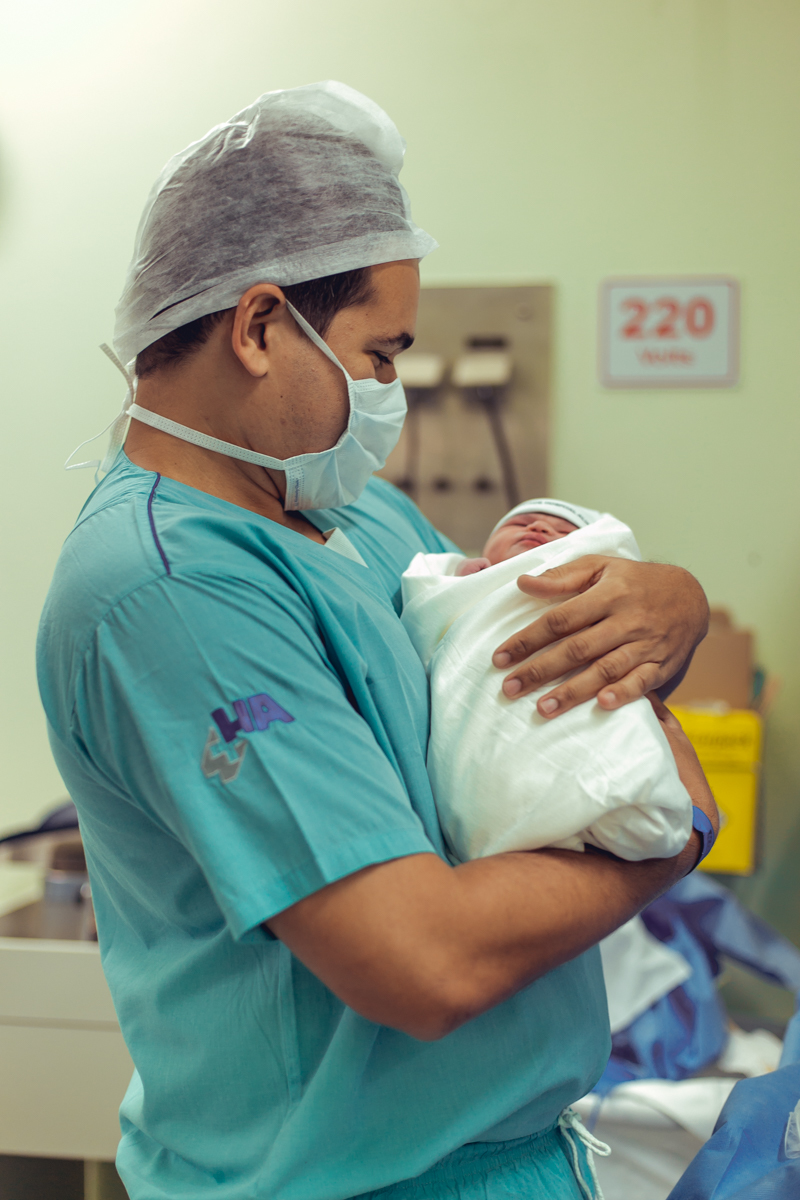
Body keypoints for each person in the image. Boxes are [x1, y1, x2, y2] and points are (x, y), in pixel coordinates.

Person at [37, 82, 717, 1200]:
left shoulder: (352, 519)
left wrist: (670, 608)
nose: (390, 391)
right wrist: (669, 834)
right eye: (381, 354)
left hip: (504, 1154)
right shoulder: (167, 589)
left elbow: (530, 687)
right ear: (260, 326)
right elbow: (421, 960)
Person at [400, 499, 693, 864]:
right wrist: (462, 577)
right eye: (522, 522)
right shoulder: (462, 576)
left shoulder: (591, 583)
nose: (539, 528)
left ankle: (621, 787)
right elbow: (427, 609)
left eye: (564, 533)